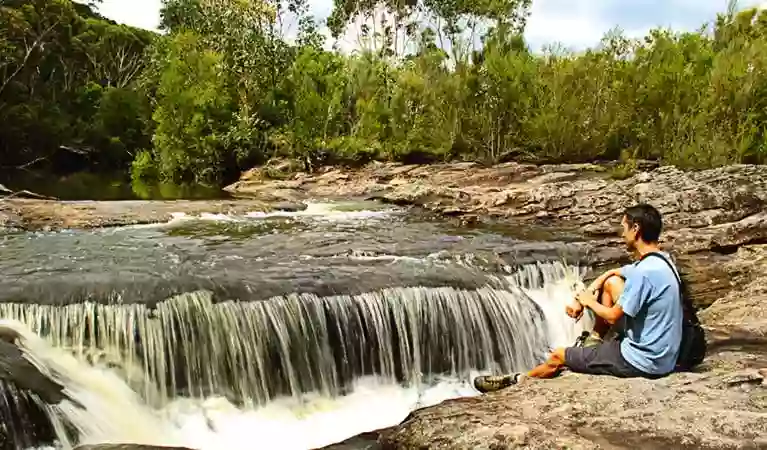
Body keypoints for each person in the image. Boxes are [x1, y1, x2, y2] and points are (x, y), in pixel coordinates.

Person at [474, 204, 684, 393]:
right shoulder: (661, 262)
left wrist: (588, 301)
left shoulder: (643, 273)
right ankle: (594, 342)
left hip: (642, 362)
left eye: (624, 227)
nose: (622, 234)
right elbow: (613, 274)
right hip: (664, 356)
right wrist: (589, 291)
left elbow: (612, 317)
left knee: (558, 356)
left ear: (635, 229)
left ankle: (517, 381)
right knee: (611, 284)